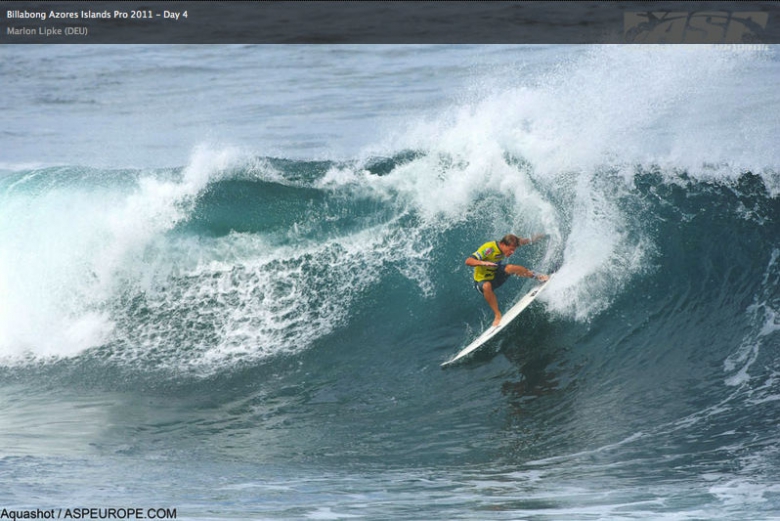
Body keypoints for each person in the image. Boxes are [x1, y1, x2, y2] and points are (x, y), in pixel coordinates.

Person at [465, 233, 549, 327]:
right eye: (511, 249)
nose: (512, 252)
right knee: (486, 285)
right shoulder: (489, 249)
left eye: (514, 249)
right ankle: (497, 315)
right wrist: (483, 263)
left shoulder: (509, 244)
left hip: (495, 275)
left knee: (512, 268)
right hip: (481, 281)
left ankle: (538, 277)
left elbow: (523, 241)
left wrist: (536, 237)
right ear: (503, 244)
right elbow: (468, 261)